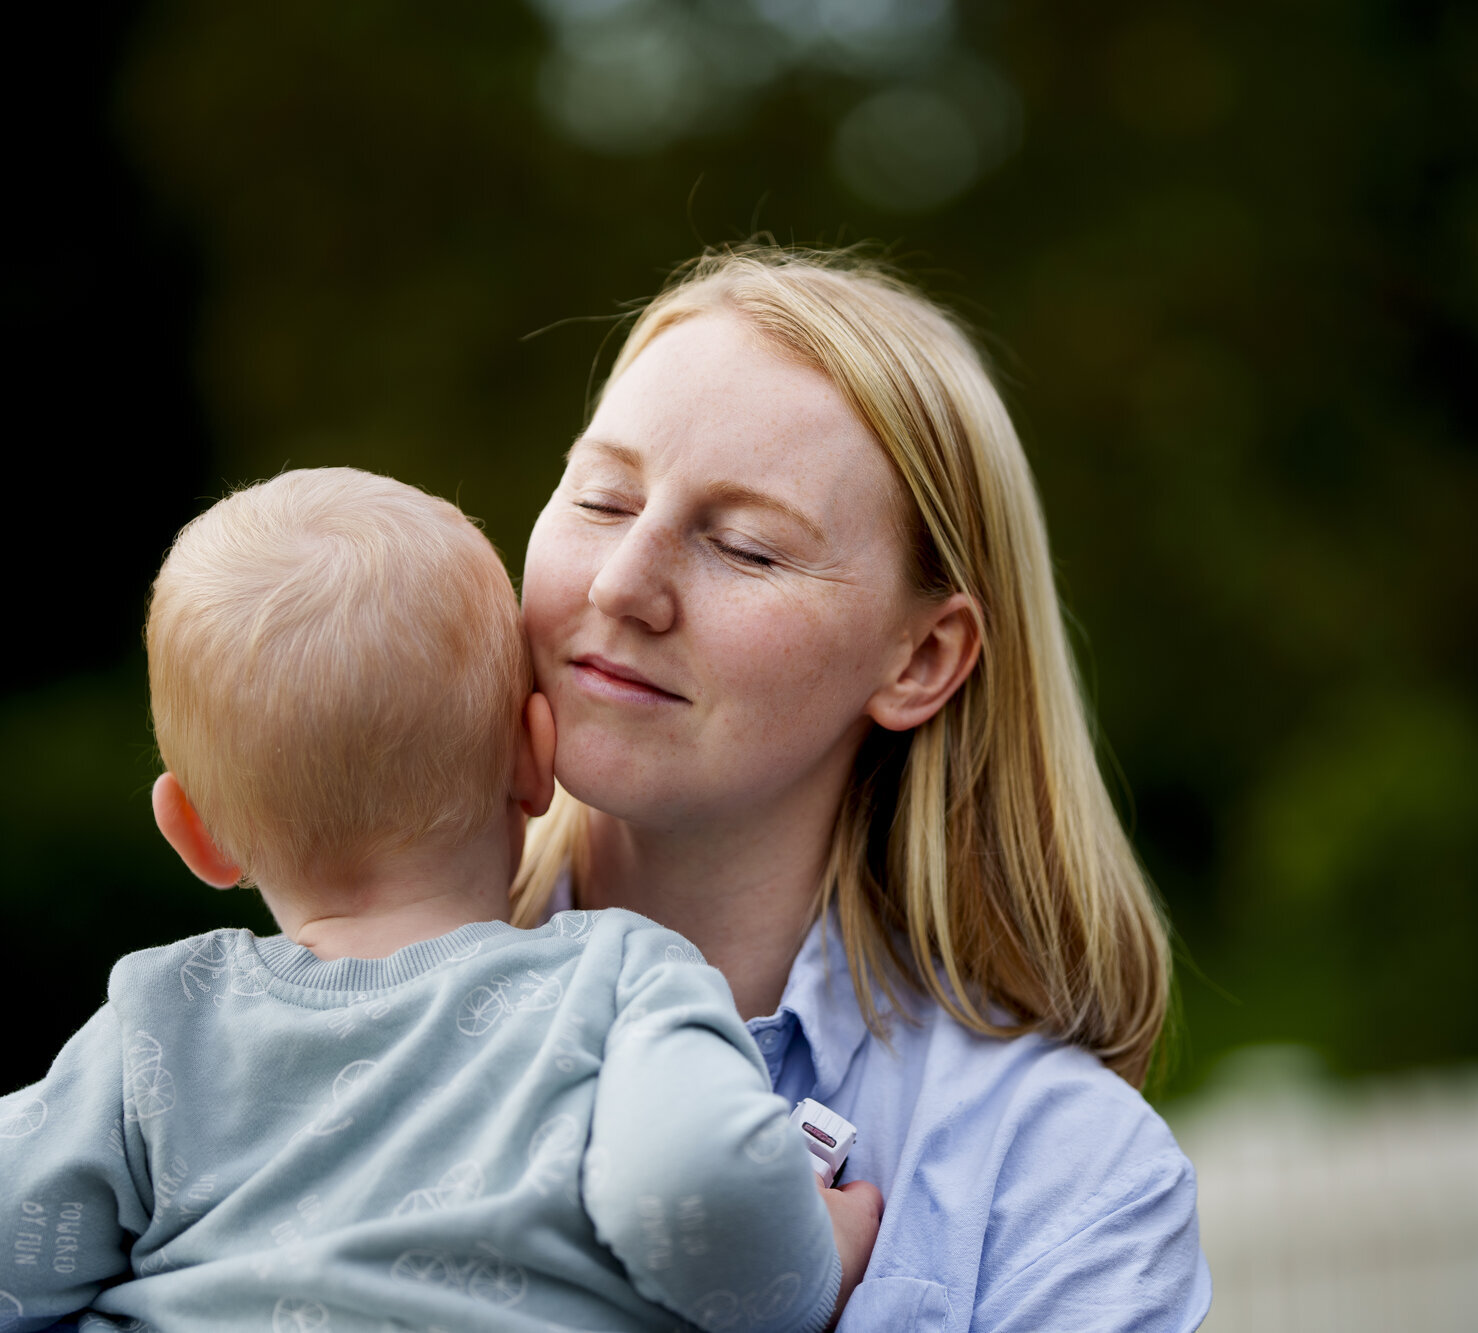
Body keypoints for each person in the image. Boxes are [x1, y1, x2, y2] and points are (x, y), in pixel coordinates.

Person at [0, 467, 879, 1333]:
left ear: (194, 830)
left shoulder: (162, 1027)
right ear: (537, 761)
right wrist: (813, 1258)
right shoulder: (619, 980)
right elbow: (696, 1191)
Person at [511, 247, 1212, 1330]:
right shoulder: (316, 1012)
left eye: (744, 549)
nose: (621, 582)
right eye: (602, 498)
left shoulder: (1062, 1183)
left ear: (919, 660)